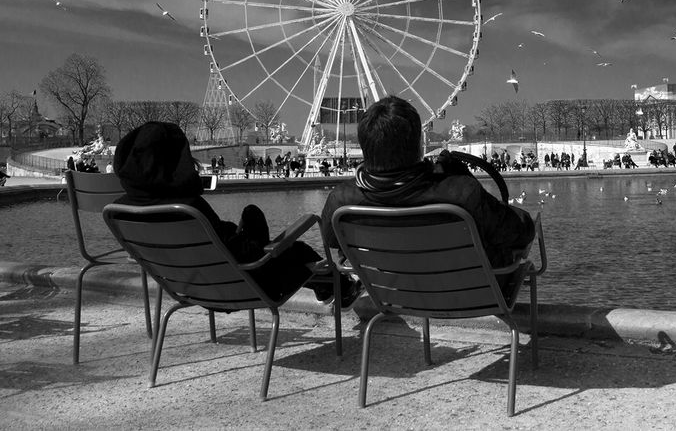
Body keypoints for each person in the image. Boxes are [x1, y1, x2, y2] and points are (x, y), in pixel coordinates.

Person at [112, 122, 361, 307]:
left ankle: (331, 287)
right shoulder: (187, 207)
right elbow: (247, 255)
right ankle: (342, 288)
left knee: (256, 225)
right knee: (297, 250)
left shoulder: (122, 210)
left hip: (187, 287)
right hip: (245, 287)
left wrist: (232, 231)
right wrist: (249, 230)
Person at [321, 96, 535, 294]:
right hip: (472, 295)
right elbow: (520, 231)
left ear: (365, 146)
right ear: (419, 146)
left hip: (393, 295)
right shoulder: (461, 194)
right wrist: (462, 178)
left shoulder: (341, 200)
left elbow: (332, 242)